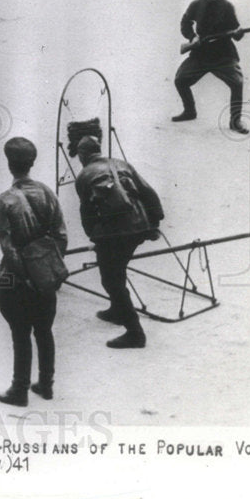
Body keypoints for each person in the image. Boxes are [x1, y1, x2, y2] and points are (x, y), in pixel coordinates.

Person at [0, 138, 68, 406]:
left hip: (18, 281)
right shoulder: (47, 192)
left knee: (20, 334)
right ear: (32, 163)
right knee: (44, 331)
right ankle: (46, 385)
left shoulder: (4, 201)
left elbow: (8, 248)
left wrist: (25, 275)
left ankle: (19, 389)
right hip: (45, 278)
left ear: (10, 164)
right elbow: (61, 237)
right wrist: (47, 270)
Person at [74, 136, 164, 349]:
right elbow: (148, 192)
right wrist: (154, 223)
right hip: (140, 226)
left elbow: (87, 213)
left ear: (82, 156)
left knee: (111, 280)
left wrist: (94, 236)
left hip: (115, 233)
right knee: (118, 268)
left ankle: (135, 332)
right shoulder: (122, 163)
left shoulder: (84, 175)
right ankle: (116, 310)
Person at [173, 0, 249, 134]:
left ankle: (235, 121)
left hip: (223, 54)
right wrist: (192, 37)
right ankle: (190, 111)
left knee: (237, 83)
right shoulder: (196, 5)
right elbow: (185, 23)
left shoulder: (227, 6)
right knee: (180, 80)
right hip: (201, 54)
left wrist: (238, 33)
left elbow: (236, 31)